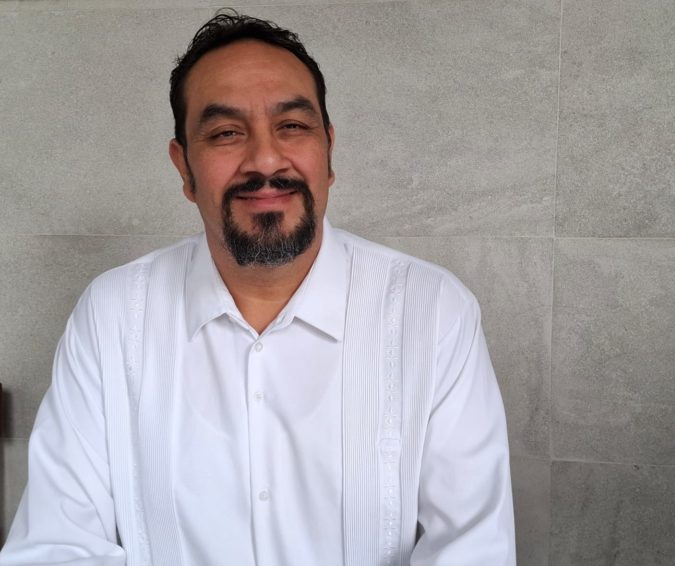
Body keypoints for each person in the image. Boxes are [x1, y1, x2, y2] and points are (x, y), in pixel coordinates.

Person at [0, 11, 515, 566]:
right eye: (226, 133)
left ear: (328, 152)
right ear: (184, 168)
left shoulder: (433, 312)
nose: (266, 159)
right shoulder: (112, 315)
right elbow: (57, 545)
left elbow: (472, 550)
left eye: (292, 126)